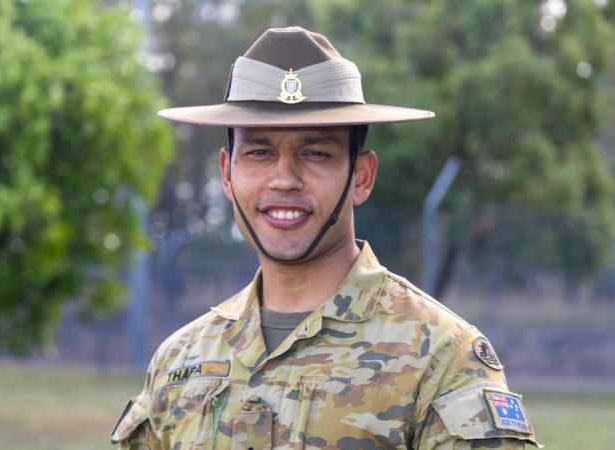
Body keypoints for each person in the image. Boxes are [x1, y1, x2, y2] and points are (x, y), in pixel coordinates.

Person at [112, 27, 541, 450]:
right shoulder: (179, 362)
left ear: (362, 176)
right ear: (227, 173)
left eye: (315, 153)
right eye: (260, 152)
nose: (284, 179)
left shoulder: (442, 357)